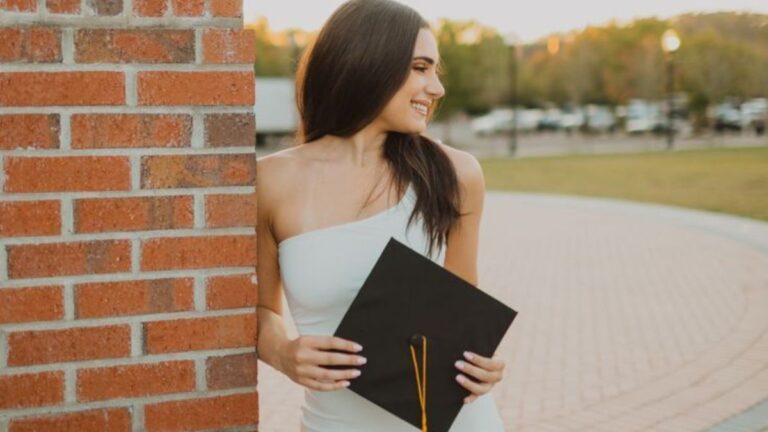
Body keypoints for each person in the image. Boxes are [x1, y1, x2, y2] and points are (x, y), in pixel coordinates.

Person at [255, 0, 507, 430]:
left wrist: (482, 364)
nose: (438, 87)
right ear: (370, 63)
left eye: (435, 70)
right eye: (421, 67)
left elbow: (460, 318)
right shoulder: (270, 182)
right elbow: (262, 309)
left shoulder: (457, 174)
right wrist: (282, 353)